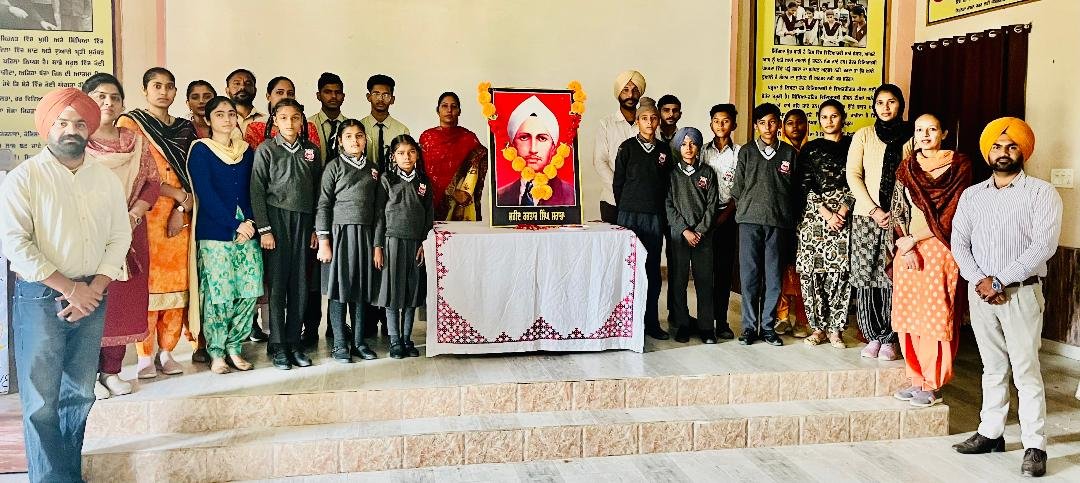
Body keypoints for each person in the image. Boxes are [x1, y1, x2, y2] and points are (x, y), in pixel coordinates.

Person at [0, 88, 130, 483]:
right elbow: (14, 243)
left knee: (80, 394)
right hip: (41, 297)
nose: (70, 130)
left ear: (89, 128)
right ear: (47, 128)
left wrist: (94, 287)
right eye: (62, 122)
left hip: (93, 296)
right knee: (42, 400)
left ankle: (68, 476)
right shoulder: (25, 178)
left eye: (78, 123)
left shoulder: (104, 178)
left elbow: (119, 236)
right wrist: (71, 289)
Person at [950, 118, 1062, 478]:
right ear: (988, 153)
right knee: (993, 367)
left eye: (1011, 146)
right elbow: (959, 243)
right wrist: (981, 281)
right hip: (981, 294)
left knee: (1026, 370)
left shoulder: (1042, 193)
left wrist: (1000, 281)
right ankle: (991, 433)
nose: (1003, 152)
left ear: (1023, 151)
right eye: (997, 147)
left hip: (1021, 293)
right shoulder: (972, 195)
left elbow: (1043, 245)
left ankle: (1034, 446)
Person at [81, 73, 160, 399]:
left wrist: (133, 214)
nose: (108, 103)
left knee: (122, 301)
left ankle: (111, 371)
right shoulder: (78, 142)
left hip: (129, 232)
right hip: (88, 234)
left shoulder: (135, 141)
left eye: (114, 97)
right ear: (86, 102)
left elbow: (152, 183)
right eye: (100, 96)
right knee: (91, 300)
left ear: (123, 104)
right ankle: (87, 375)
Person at [117, 67, 197, 379]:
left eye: (169, 86)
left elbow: (193, 172)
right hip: (146, 212)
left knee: (178, 284)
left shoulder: (185, 129)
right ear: (145, 90)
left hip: (180, 214)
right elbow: (135, 172)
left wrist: (182, 204)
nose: (163, 92)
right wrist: (174, 193)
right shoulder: (132, 124)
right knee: (148, 285)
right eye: (156, 86)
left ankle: (167, 350)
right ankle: (144, 354)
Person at [889, 113, 972, 407]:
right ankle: (916, 378)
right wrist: (905, 243)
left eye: (932, 129)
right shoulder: (907, 167)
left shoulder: (959, 166)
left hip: (940, 247)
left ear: (944, 133)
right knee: (908, 315)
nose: (925, 135)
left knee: (935, 316)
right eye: (919, 130)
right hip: (907, 248)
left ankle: (932, 383)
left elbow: (952, 215)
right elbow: (897, 209)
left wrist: (915, 239)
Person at [188, 96, 263, 374]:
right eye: (219, 114)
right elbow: (205, 194)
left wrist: (250, 222)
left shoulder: (246, 151)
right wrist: (234, 225)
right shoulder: (201, 150)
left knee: (249, 290)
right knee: (219, 294)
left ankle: (235, 347)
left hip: (248, 231)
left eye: (231, 114)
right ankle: (217, 351)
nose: (227, 119)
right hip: (216, 233)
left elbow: (254, 189)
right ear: (208, 120)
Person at [251, 98, 321, 370]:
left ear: (302, 121)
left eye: (295, 118)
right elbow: (257, 190)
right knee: (278, 285)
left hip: (303, 222)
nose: (289, 123)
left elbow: (318, 192)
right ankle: (278, 344)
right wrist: (265, 229)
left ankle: (294, 342)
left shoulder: (311, 151)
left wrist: (315, 228)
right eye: (283, 118)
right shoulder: (266, 150)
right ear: (275, 121)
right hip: (276, 222)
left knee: (300, 286)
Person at [846, 83, 912, 361]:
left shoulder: (911, 137)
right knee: (866, 276)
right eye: (880, 102)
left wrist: (894, 213)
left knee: (893, 278)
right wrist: (873, 209)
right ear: (874, 106)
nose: (885, 107)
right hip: (866, 217)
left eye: (891, 101)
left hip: (900, 220)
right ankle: (872, 335)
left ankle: (891, 338)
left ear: (900, 105)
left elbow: (914, 178)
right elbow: (853, 174)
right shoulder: (863, 135)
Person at [731, 102, 799, 347]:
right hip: (749, 221)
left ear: (778, 124)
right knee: (749, 276)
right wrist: (748, 207)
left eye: (772, 122)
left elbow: (794, 190)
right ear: (755, 126)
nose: (768, 127)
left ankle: (768, 327)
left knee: (773, 277)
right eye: (762, 123)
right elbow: (737, 188)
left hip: (778, 223)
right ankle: (749, 327)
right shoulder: (747, 152)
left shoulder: (789, 153)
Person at [316, 119, 381, 363]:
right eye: (349, 136)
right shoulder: (333, 167)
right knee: (339, 290)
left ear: (366, 139)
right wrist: (324, 240)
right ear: (340, 142)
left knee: (360, 291)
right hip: (339, 235)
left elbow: (378, 210)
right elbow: (323, 204)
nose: (355, 140)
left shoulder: (373, 169)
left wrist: (376, 244)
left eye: (359, 135)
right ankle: (340, 344)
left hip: (365, 236)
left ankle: (359, 342)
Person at [797, 99, 853, 349]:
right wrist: (826, 213)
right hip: (815, 216)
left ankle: (835, 330)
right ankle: (818, 328)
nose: (829, 121)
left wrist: (843, 209)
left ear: (843, 118)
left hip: (845, 215)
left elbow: (858, 178)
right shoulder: (810, 149)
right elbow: (804, 184)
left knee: (840, 273)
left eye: (834, 116)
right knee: (812, 274)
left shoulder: (853, 145)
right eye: (824, 117)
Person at [613, 97, 671, 340]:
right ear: (637, 121)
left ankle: (651, 322)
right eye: (644, 118)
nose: (649, 122)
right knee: (628, 268)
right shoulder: (626, 147)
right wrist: (626, 210)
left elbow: (667, 185)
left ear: (658, 122)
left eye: (653, 118)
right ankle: (626, 321)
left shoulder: (664, 150)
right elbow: (618, 184)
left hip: (654, 217)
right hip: (629, 216)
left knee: (652, 270)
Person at [373, 134, 434, 359]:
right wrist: (378, 246)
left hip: (416, 244)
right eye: (401, 153)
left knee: (412, 293)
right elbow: (379, 215)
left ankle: (407, 339)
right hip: (392, 242)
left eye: (411, 152)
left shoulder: (423, 182)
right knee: (393, 293)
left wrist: (425, 243)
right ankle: (395, 340)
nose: (406, 157)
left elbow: (429, 216)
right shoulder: (387, 179)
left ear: (417, 154)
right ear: (393, 156)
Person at [665, 127, 719, 344]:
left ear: (698, 147)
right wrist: (685, 230)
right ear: (678, 147)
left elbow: (712, 205)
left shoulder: (707, 173)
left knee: (704, 282)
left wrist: (700, 230)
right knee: (678, 281)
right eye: (684, 144)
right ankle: (682, 325)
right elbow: (668, 205)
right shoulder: (671, 175)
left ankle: (706, 327)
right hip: (680, 236)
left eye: (693, 143)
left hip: (703, 237)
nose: (688, 148)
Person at [701, 103, 741, 340]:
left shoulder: (740, 153)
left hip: (728, 217)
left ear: (733, 124)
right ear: (711, 124)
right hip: (703, 218)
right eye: (716, 121)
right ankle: (706, 321)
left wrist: (724, 216)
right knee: (705, 272)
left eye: (725, 121)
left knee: (724, 272)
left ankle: (722, 321)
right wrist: (707, 218)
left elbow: (740, 189)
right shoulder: (702, 151)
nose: (720, 125)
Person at [419, 92, 489, 221]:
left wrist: (462, 192)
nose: (449, 110)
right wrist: (450, 191)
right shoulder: (427, 137)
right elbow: (421, 170)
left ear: (459, 111)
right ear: (438, 110)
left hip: (459, 204)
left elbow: (480, 160)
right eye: (444, 106)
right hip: (430, 200)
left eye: (454, 106)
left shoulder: (468, 138)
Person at [495, 95, 575, 206]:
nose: (533, 149)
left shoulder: (572, 196)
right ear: (513, 146)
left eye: (542, 138)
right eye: (524, 138)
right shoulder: (499, 197)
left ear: (553, 148)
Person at [594, 70, 645, 224]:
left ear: (640, 93)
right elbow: (600, 161)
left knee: (642, 240)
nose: (630, 95)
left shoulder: (649, 124)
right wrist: (620, 188)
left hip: (643, 202)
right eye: (625, 90)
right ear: (618, 93)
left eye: (635, 90)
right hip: (613, 201)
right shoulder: (606, 124)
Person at [776, 108, 810, 337]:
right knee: (782, 266)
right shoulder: (779, 152)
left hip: (808, 218)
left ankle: (802, 320)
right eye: (790, 123)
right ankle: (782, 316)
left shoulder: (812, 151)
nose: (795, 127)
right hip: (782, 218)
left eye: (800, 122)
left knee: (803, 269)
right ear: (783, 127)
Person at [243, 76, 321, 150]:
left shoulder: (307, 127)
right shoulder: (255, 127)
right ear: (268, 96)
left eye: (290, 93)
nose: (285, 97)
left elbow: (314, 156)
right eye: (280, 92)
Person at [360, 74, 410, 170]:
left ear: (392, 99)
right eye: (376, 94)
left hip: (393, 178)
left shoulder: (402, 131)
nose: (381, 99)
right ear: (368, 97)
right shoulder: (359, 128)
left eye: (386, 95)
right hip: (364, 178)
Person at [309, 72, 348, 164]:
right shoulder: (308, 125)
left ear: (343, 96)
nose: (333, 96)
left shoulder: (351, 126)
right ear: (318, 96)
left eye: (338, 92)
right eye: (328, 92)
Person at [225, 68, 263, 134]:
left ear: (255, 90)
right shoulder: (219, 122)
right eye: (237, 83)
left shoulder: (266, 120)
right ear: (227, 91)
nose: (242, 87)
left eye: (248, 84)